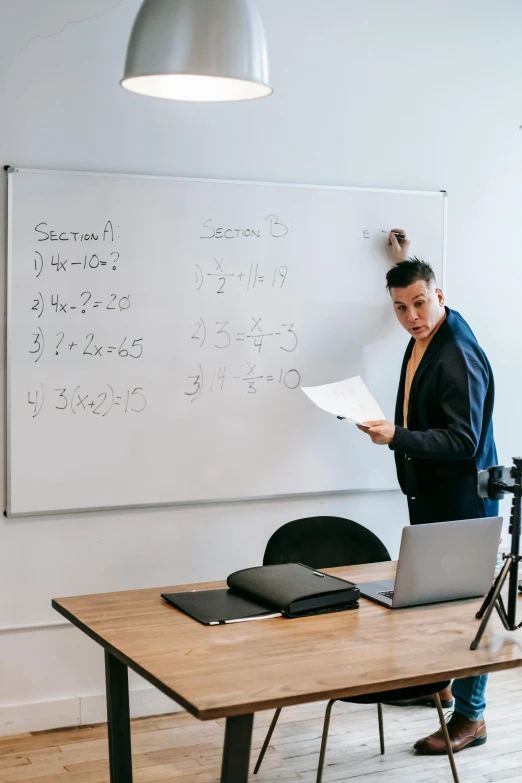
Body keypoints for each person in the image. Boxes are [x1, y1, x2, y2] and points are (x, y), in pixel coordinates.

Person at [357, 229, 499, 755]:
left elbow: (463, 440)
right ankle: (439, 686)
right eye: (400, 307)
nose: (412, 315)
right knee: (434, 602)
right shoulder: (429, 332)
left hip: (465, 502)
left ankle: (472, 717)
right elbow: (414, 287)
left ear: (440, 295)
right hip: (434, 498)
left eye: (420, 302)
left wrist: (397, 436)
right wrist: (402, 260)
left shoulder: (457, 354)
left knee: (470, 610)